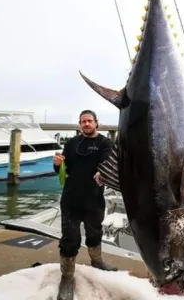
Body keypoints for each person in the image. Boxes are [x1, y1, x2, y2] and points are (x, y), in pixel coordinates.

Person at [53, 109, 118, 294]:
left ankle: (97, 262)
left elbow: (108, 164)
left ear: (96, 123)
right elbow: (62, 171)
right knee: (69, 240)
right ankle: (66, 278)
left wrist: (102, 172)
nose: (86, 124)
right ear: (80, 124)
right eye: (83, 121)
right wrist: (57, 164)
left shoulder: (105, 143)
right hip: (71, 199)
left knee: (94, 233)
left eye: (90, 121)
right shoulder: (72, 143)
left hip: (94, 200)